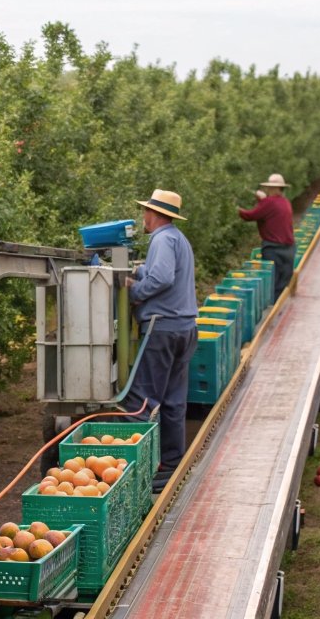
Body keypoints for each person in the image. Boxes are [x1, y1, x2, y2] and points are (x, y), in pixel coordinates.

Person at [123, 189, 198, 494]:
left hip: (162, 329)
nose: (144, 217)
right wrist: (139, 271)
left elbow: (163, 278)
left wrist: (133, 291)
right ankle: (170, 466)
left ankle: (134, 476)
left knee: (139, 400)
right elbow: (163, 272)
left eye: (146, 212)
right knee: (173, 401)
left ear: (154, 214)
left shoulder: (162, 238)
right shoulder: (178, 239)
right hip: (185, 328)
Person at [238, 173, 295, 299]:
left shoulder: (268, 202)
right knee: (283, 282)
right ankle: (279, 308)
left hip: (273, 248)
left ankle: (272, 311)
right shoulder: (285, 202)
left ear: (274, 188)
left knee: (272, 282)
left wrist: (236, 209)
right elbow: (269, 209)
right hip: (289, 248)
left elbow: (250, 215)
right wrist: (262, 200)